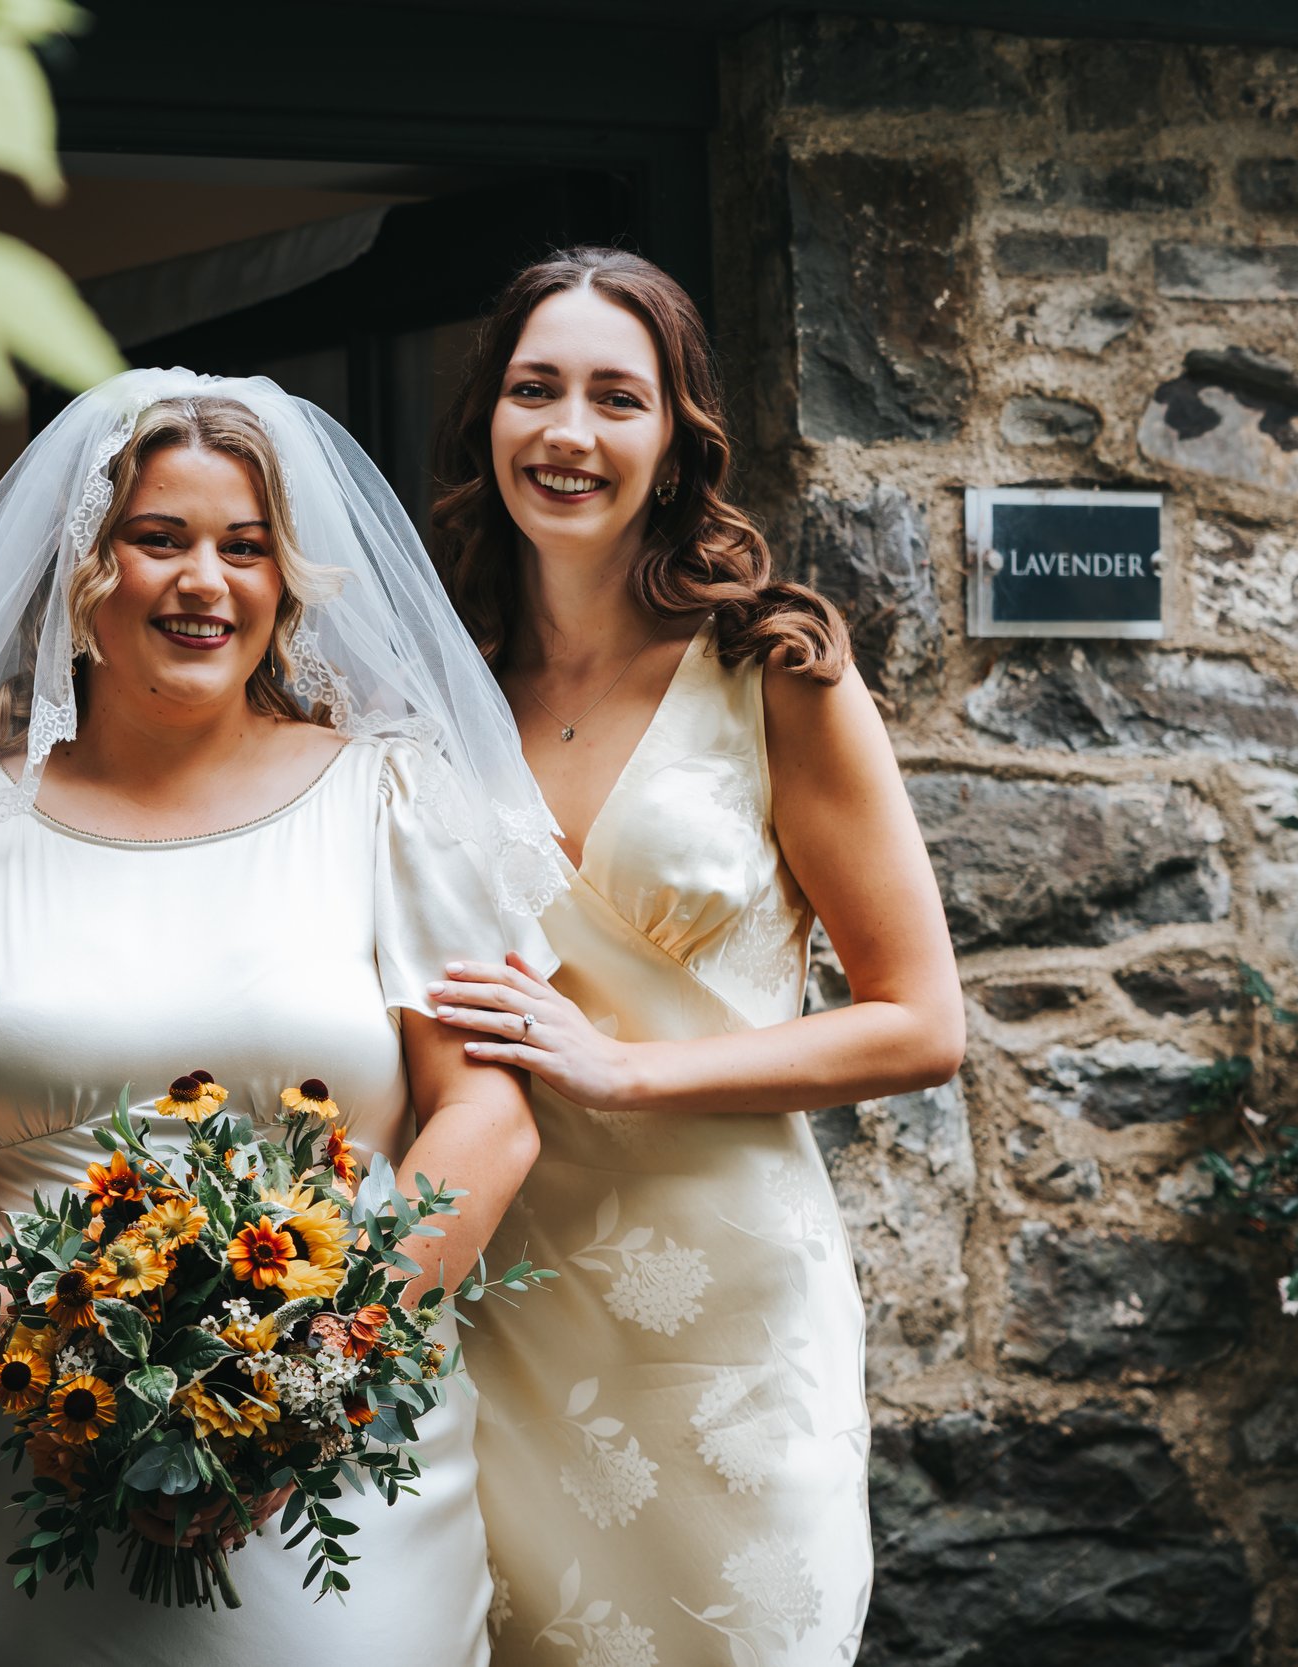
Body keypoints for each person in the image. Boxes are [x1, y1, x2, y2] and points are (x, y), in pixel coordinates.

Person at [0, 370, 564, 1665]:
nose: (204, 583)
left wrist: (312, 1380)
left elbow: (486, 1117)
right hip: (33, 1466)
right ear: (80, 567)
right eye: (157, 539)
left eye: (245, 547)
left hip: (340, 1460)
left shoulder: (393, 802)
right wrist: (59, 1372)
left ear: (291, 580)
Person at [427, 249, 964, 1665]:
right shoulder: (431, 690)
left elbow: (921, 1023)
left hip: (726, 1312)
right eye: (534, 389)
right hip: (507, 1301)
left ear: (676, 440)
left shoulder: (774, 667)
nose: (569, 433)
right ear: (489, 417)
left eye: (618, 397)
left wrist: (625, 1070)